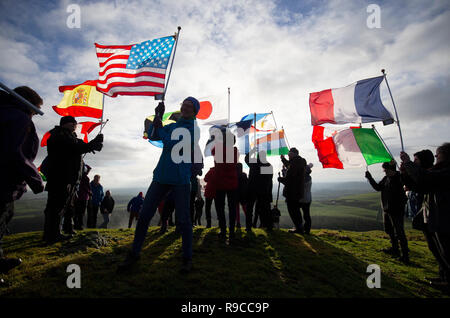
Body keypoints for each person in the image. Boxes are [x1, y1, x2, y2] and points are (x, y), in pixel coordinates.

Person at [118, 97, 203, 274]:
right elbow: (154, 136)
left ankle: (187, 258)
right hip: (161, 176)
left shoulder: (193, 129)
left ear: (195, 111)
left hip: (180, 179)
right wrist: (157, 118)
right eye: (184, 105)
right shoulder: (172, 126)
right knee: (144, 216)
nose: (186, 108)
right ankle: (134, 253)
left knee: (184, 220)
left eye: (190, 106)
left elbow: (172, 144)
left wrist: (160, 129)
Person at [0, 87, 44, 275]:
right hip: (3, 180)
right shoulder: (19, 118)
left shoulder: (4, 113)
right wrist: (35, 179)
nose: (35, 113)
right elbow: (15, 152)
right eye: (35, 109)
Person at [43, 116, 103, 243]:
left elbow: (80, 146)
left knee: (65, 206)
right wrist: (92, 145)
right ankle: (52, 235)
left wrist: (94, 142)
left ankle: (62, 230)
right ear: (64, 124)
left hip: (67, 179)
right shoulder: (60, 136)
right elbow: (76, 148)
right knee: (56, 207)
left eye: (75, 123)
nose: (75, 125)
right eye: (72, 123)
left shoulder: (68, 136)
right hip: (60, 178)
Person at [400, 143, 450, 286]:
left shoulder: (445, 172)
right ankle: (445, 277)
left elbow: (424, 178)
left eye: (438, 154)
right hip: (437, 217)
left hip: (444, 218)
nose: (436, 157)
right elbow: (419, 186)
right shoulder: (440, 171)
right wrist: (405, 172)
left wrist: (408, 162)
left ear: (446, 155)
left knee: (446, 250)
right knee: (439, 250)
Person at [365, 161, 409, 263]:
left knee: (399, 232)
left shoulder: (400, 178)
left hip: (396, 210)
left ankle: (405, 255)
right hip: (387, 209)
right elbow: (378, 187)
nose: (385, 172)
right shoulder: (386, 178)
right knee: (389, 230)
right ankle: (395, 249)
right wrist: (369, 178)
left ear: (392, 169)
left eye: (386, 170)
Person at [212, 129, 239, 242]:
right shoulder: (234, 150)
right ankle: (231, 231)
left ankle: (223, 230)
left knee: (220, 208)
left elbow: (213, 151)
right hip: (232, 183)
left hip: (219, 183)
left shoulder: (218, 148)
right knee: (232, 208)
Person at [278, 147, 306, 234]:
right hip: (297, 191)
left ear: (293, 154)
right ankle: (299, 227)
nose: (288, 156)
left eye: (289, 155)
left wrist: (281, 179)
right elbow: (289, 166)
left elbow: (291, 178)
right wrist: (283, 159)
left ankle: (299, 228)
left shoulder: (295, 163)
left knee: (293, 210)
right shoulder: (299, 162)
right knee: (296, 210)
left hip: (292, 192)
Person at [245, 148, 273, 232]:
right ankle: (269, 226)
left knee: (249, 209)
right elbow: (269, 179)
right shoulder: (268, 165)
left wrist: (252, 151)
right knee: (266, 209)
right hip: (263, 190)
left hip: (252, 189)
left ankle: (249, 227)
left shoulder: (254, 163)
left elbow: (246, 159)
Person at [74, 164, 92, 230]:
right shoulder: (85, 178)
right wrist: (90, 193)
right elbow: (86, 188)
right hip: (84, 197)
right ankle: (80, 226)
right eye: (88, 170)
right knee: (81, 212)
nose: (88, 172)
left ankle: (76, 225)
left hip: (77, 197)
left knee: (77, 212)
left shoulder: (78, 176)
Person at [299, 163, 313, 235]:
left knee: (305, 215)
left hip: (304, 199)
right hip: (307, 198)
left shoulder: (305, 178)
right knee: (306, 214)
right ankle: (306, 229)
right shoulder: (308, 177)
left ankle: (305, 229)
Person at [236, 163, 248, 229]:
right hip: (243, 195)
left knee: (236, 210)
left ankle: (238, 223)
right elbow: (246, 184)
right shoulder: (244, 175)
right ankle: (249, 222)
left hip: (236, 194)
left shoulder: (235, 175)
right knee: (245, 209)